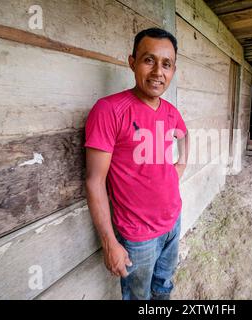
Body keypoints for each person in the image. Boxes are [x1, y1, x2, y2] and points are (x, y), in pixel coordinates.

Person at [84, 28, 189, 300]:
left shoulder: (170, 111)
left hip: (173, 220)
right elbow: (94, 181)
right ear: (132, 62)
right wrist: (109, 242)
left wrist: (181, 166)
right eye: (149, 60)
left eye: (166, 64)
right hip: (137, 234)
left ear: (173, 70)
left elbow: (184, 135)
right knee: (138, 296)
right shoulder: (109, 110)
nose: (158, 72)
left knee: (163, 286)